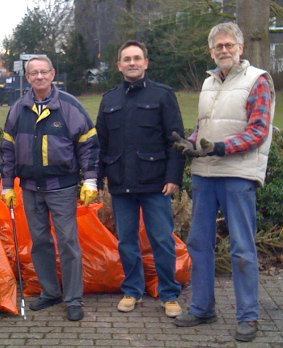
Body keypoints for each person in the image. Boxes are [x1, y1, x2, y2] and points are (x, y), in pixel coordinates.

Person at [172, 22, 275, 342]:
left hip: (238, 175)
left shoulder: (257, 81)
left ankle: (248, 316)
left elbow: (258, 131)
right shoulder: (209, 82)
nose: (224, 50)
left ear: (240, 48)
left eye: (229, 45)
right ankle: (203, 308)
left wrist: (219, 148)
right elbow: (207, 127)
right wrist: (192, 142)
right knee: (199, 244)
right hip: (205, 174)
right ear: (211, 51)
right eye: (218, 46)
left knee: (242, 249)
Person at [0, 55, 99, 321]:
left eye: (44, 72)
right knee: (40, 242)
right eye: (34, 73)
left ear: (53, 74)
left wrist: (90, 179)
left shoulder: (70, 106)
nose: (39, 77)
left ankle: (73, 299)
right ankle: (50, 291)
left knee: (68, 242)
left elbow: (88, 144)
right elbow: (7, 149)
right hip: (30, 188)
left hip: (61, 188)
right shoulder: (18, 108)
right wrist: (7, 184)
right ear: (27, 76)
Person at [96, 40, 185, 318]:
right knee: (126, 241)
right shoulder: (109, 99)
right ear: (119, 65)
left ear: (146, 63)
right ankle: (132, 290)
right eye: (127, 59)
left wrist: (174, 176)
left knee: (161, 240)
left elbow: (176, 140)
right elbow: (101, 143)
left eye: (137, 58)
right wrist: (97, 180)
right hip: (121, 183)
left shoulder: (163, 95)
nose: (132, 62)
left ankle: (169, 294)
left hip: (156, 183)